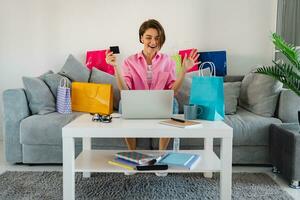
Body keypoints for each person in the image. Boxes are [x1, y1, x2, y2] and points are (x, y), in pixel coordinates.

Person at [106, 19, 199, 150]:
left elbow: (173, 91)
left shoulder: (168, 61)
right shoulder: (129, 61)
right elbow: (124, 90)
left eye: (157, 38)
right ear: (141, 38)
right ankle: (132, 152)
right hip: (136, 104)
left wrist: (183, 70)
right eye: (148, 37)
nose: (153, 42)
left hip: (160, 104)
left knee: (173, 102)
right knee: (123, 103)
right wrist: (115, 67)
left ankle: (161, 153)